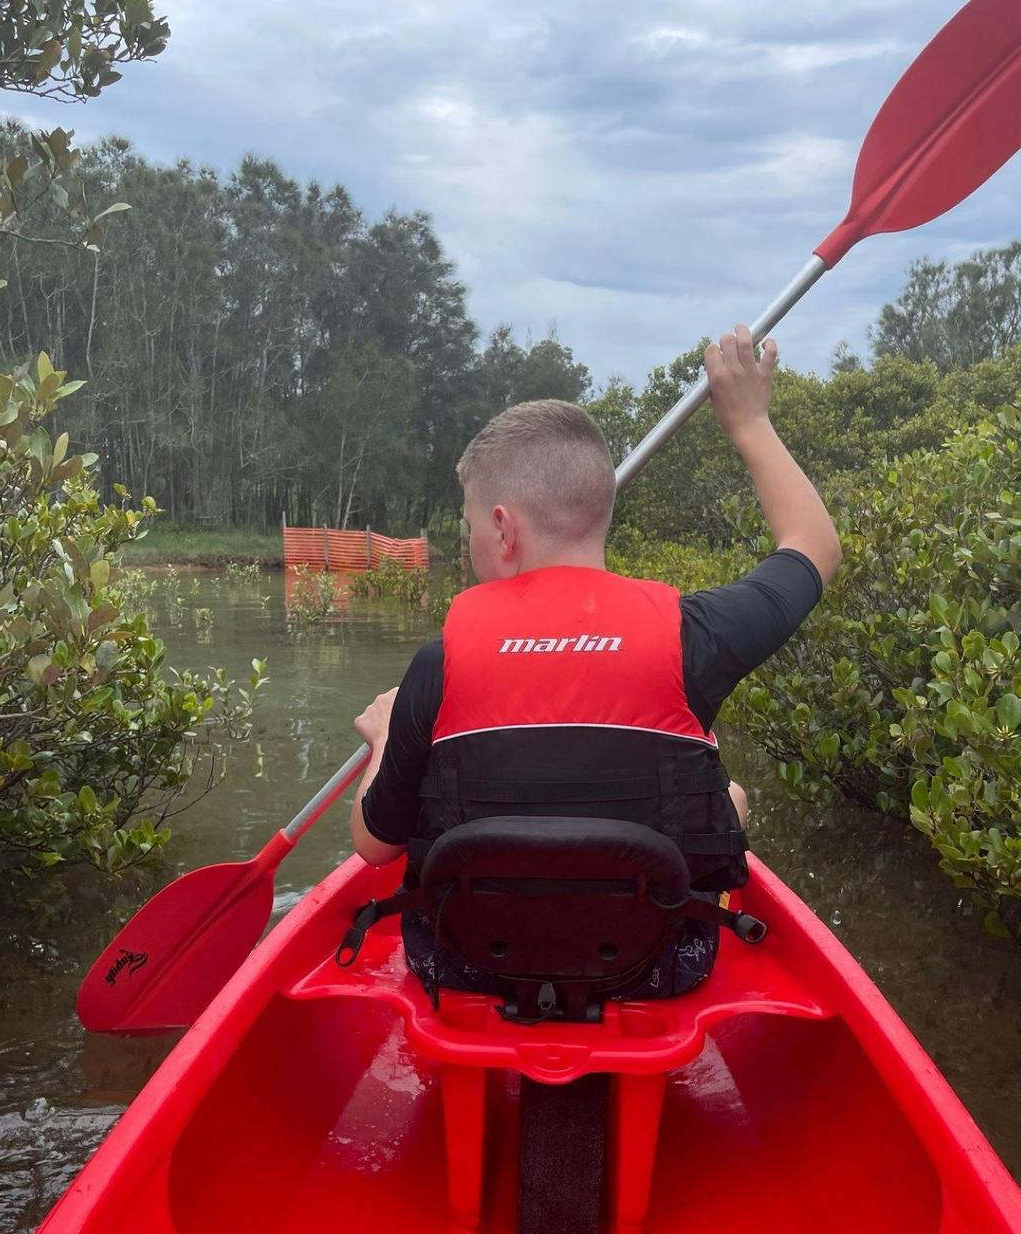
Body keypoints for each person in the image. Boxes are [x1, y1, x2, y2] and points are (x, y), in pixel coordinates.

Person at [349, 324, 841, 997]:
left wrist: (382, 741)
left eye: (468, 526)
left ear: (502, 527)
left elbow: (375, 845)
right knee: (730, 795)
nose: (469, 542)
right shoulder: (691, 638)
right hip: (661, 965)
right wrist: (750, 422)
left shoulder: (438, 665)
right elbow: (812, 547)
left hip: (466, 967)